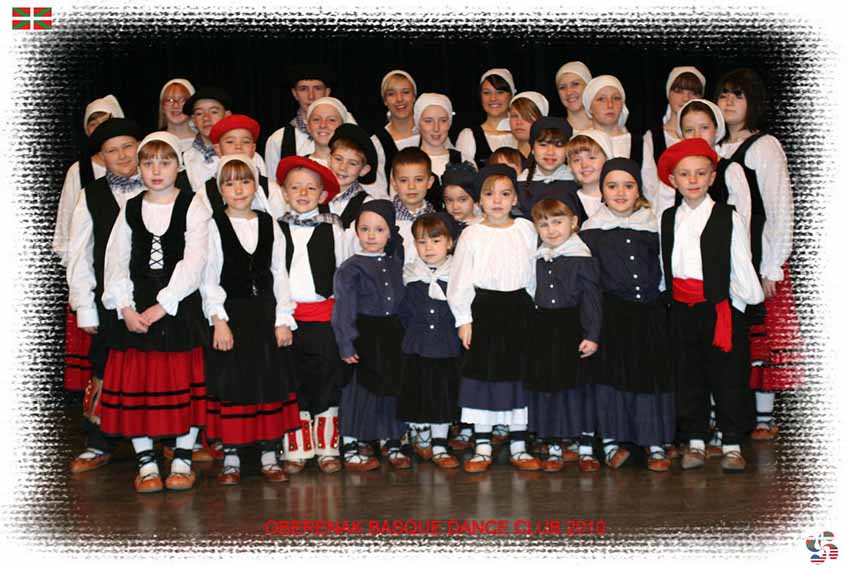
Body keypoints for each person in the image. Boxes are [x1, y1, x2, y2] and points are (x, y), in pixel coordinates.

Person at [99, 131, 210, 493]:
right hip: (136, 307)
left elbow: (195, 261)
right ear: (140, 168)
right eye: (148, 163)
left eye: (165, 162)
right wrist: (126, 307)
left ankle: (182, 457)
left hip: (178, 305)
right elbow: (115, 259)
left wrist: (165, 303)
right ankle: (146, 460)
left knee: (182, 385)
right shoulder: (130, 206)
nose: (156, 170)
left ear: (178, 167)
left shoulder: (194, 204)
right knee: (138, 385)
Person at [657, 138, 765, 471]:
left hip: (719, 308)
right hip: (682, 309)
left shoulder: (726, 216)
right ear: (673, 180)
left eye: (700, 173)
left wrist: (741, 305)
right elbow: (667, 262)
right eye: (685, 174)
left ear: (712, 177)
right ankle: (696, 440)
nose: (692, 180)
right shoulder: (668, 217)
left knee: (727, 376)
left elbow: (741, 262)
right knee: (689, 375)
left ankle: (732, 442)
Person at [201, 155, 301, 485]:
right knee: (235, 383)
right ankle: (231, 455)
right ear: (220, 190)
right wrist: (219, 319)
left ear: (255, 185)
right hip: (233, 317)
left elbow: (278, 272)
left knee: (267, 381)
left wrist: (282, 317)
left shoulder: (268, 222)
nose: (238, 189)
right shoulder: (213, 225)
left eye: (244, 181)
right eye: (229, 183)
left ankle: (269, 453)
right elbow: (209, 276)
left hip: (265, 315)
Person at [715, 68, 802, 440]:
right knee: (730, 341)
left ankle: (765, 418)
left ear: (753, 103)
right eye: (724, 95)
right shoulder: (715, 150)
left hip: (758, 258)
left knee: (761, 339)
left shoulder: (764, 146)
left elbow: (780, 207)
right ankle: (726, 417)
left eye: (739, 95)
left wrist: (771, 268)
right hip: (725, 259)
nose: (729, 102)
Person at [579, 158, 676, 472]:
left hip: (649, 311)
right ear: (602, 192)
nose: (620, 192)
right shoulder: (591, 231)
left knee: (649, 375)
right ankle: (611, 442)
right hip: (613, 315)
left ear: (639, 190)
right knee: (613, 377)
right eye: (612, 186)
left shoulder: (653, 225)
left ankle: (654, 440)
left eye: (628, 185)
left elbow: (664, 268)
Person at [447, 165, 541, 473]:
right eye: (489, 194)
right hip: (484, 310)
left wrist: (536, 309)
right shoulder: (472, 233)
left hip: (519, 309)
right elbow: (459, 278)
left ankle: (518, 443)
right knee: (482, 376)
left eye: (504, 194)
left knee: (518, 375)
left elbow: (533, 273)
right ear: (479, 200)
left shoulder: (526, 229)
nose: (497, 200)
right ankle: (483, 443)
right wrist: (464, 318)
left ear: (515, 198)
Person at [65, 118, 145, 474]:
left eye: (128, 146)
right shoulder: (91, 195)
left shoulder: (163, 185)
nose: (123, 155)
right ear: (102, 157)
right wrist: (85, 306)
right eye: (113, 150)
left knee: (153, 365)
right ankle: (99, 442)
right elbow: (79, 253)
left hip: (153, 296)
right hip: (106, 298)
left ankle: (165, 440)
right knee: (105, 365)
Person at [276, 157, 352, 475]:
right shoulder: (275, 229)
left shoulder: (334, 230)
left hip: (324, 317)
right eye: (295, 187)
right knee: (294, 380)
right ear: (284, 192)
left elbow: (345, 273)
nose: (303, 192)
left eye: (311, 187)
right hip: (288, 317)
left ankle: (327, 446)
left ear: (322, 195)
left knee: (326, 378)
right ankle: (296, 447)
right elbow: (273, 273)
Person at [332, 200, 409, 470]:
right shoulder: (350, 268)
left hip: (391, 334)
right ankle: (352, 444)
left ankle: (392, 440)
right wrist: (345, 342)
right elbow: (343, 308)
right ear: (356, 232)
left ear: (390, 233)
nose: (371, 235)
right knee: (359, 391)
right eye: (365, 229)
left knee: (391, 388)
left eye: (379, 229)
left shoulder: (396, 262)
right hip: (363, 333)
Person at [528, 197, 602, 472]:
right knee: (550, 388)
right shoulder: (539, 257)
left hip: (573, 327)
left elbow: (592, 301)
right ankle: (555, 446)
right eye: (543, 224)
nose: (551, 230)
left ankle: (584, 447)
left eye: (558, 222)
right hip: (545, 329)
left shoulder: (580, 258)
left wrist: (592, 334)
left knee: (578, 389)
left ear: (574, 222)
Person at [56, 95, 124, 393]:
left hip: (130, 278)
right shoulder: (80, 172)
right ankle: (100, 423)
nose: (98, 127)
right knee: (101, 351)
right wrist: (79, 288)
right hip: (95, 271)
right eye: (92, 122)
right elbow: (69, 226)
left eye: (104, 121)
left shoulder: (143, 175)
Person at [398, 213, 464, 468]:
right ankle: (421, 437)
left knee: (443, 395)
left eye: (436, 241)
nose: (429, 248)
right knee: (419, 393)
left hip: (447, 347)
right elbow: (403, 312)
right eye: (422, 242)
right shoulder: (409, 275)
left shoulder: (458, 274)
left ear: (449, 243)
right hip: (417, 346)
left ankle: (439, 444)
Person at [640, 67, 705, 212]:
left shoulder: (707, 135)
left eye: (693, 92)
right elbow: (649, 185)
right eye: (679, 91)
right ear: (668, 94)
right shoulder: (653, 138)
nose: (685, 98)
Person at [193, 114, 281, 219]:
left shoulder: (270, 188)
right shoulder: (206, 192)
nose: (238, 147)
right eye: (230, 142)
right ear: (217, 149)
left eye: (246, 141)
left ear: (253, 149)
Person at [264, 64, 333, 170]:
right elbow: (273, 184)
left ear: (327, 92)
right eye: (303, 89)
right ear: (295, 93)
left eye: (317, 88)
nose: (311, 96)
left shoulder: (344, 135)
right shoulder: (278, 140)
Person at [413, 93, 472, 209]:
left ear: (449, 123)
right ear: (418, 123)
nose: (436, 128)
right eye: (428, 121)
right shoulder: (408, 161)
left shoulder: (464, 160)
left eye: (443, 120)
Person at [517, 117, 580, 220]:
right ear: (532, 149)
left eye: (558, 145)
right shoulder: (519, 184)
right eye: (543, 145)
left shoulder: (577, 182)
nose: (550, 152)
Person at [455, 69, 518, 168]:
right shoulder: (468, 136)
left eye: (500, 92)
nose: (493, 98)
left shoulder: (522, 134)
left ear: (511, 95)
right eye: (486, 93)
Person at [372, 70, 421, 184]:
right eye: (391, 94)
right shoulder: (377, 143)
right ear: (385, 100)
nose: (399, 99)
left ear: (414, 96)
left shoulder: (430, 134)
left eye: (406, 92)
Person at [327, 123, 378, 228]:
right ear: (329, 159)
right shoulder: (314, 195)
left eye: (352, 163)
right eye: (338, 159)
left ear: (364, 170)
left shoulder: (367, 205)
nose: (343, 167)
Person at [582, 75, 636, 160]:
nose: (610, 105)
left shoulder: (639, 144)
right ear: (590, 107)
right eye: (601, 99)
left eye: (616, 98)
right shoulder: (578, 141)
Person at [566, 129, 615, 220]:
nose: (584, 165)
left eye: (592, 158)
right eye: (577, 160)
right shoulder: (567, 202)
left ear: (607, 160)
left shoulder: (621, 199)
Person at [509, 91, 549, 168]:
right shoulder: (503, 156)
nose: (519, 122)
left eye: (526, 116)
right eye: (514, 116)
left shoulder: (550, 158)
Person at [157, 78, 197, 154]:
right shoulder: (154, 141)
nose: (175, 105)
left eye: (182, 100)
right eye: (169, 100)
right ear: (162, 106)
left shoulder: (204, 142)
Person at [555, 61, 593, 131]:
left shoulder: (606, 129)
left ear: (589, 87)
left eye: (575, 84)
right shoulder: (555, 133)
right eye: (562, 87)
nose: (569, 92)